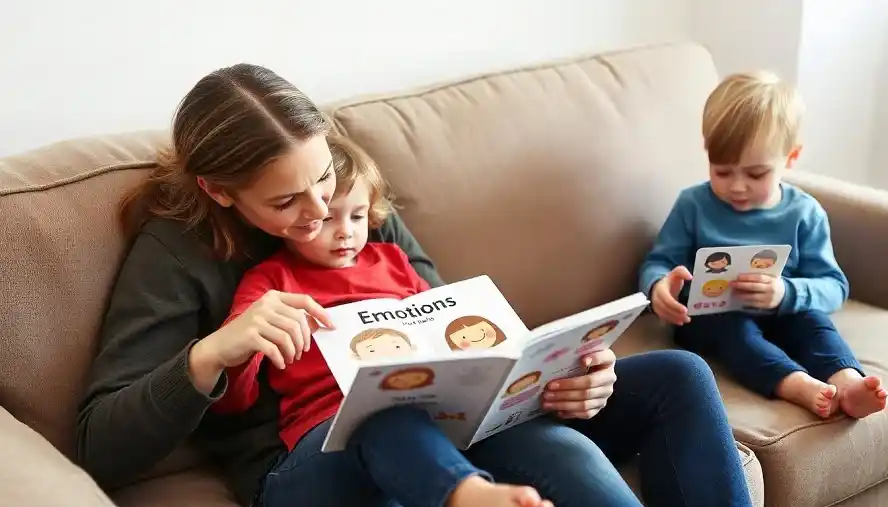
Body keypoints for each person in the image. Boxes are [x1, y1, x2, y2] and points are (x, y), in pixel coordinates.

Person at [76, 62, 755, 507]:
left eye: (324, 180)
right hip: (317, 454)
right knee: (402, 415)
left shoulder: (352, 207)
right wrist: (210, 354)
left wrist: (566, 373)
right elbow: (101, 443)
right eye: (287, 204)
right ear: (218, 193)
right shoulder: (178, 250)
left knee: (676, 376)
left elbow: (449, 318)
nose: (322, 215)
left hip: (443, 421)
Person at [211, 134, 553, 507]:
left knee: (625, 376)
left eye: (357, 216)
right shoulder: (271, 283)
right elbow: (233, 399)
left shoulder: (392, 260)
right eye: (327, 219)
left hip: (429, 419)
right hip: (330, 439)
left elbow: (439, 330)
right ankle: (467, 496)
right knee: (381, 417)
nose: (346, 231)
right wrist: (240, 348)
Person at [640, 70, 888, 420]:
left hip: (783, 311)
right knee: (735, 332)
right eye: (722, 171)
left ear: (791, 157)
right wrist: (658, 288)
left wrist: (785, 293)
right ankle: (795, 383)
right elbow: (660, 260)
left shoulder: (804, 213)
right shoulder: (693, 205)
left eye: (756, 174)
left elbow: (834, 287)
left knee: (814, 324)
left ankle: (847, 382)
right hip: (711, 318)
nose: (737, 187)